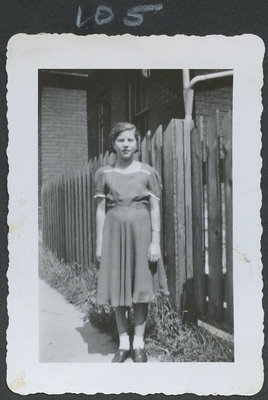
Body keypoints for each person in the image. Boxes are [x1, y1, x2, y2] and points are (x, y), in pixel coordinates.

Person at [94, 122, 169, 363]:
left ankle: (139, 343)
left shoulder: (147, 172)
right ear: (113, 144)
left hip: (142, 235)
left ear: (137, 144)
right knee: (117, 287)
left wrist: (155, 241)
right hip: (114, 236)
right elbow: (100, 210)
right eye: (121, 140)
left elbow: (155, 207)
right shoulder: (104, 174)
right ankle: (123, 343)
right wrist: (99, 244)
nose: (126, 144)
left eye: (130, 140)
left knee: (140, 288)